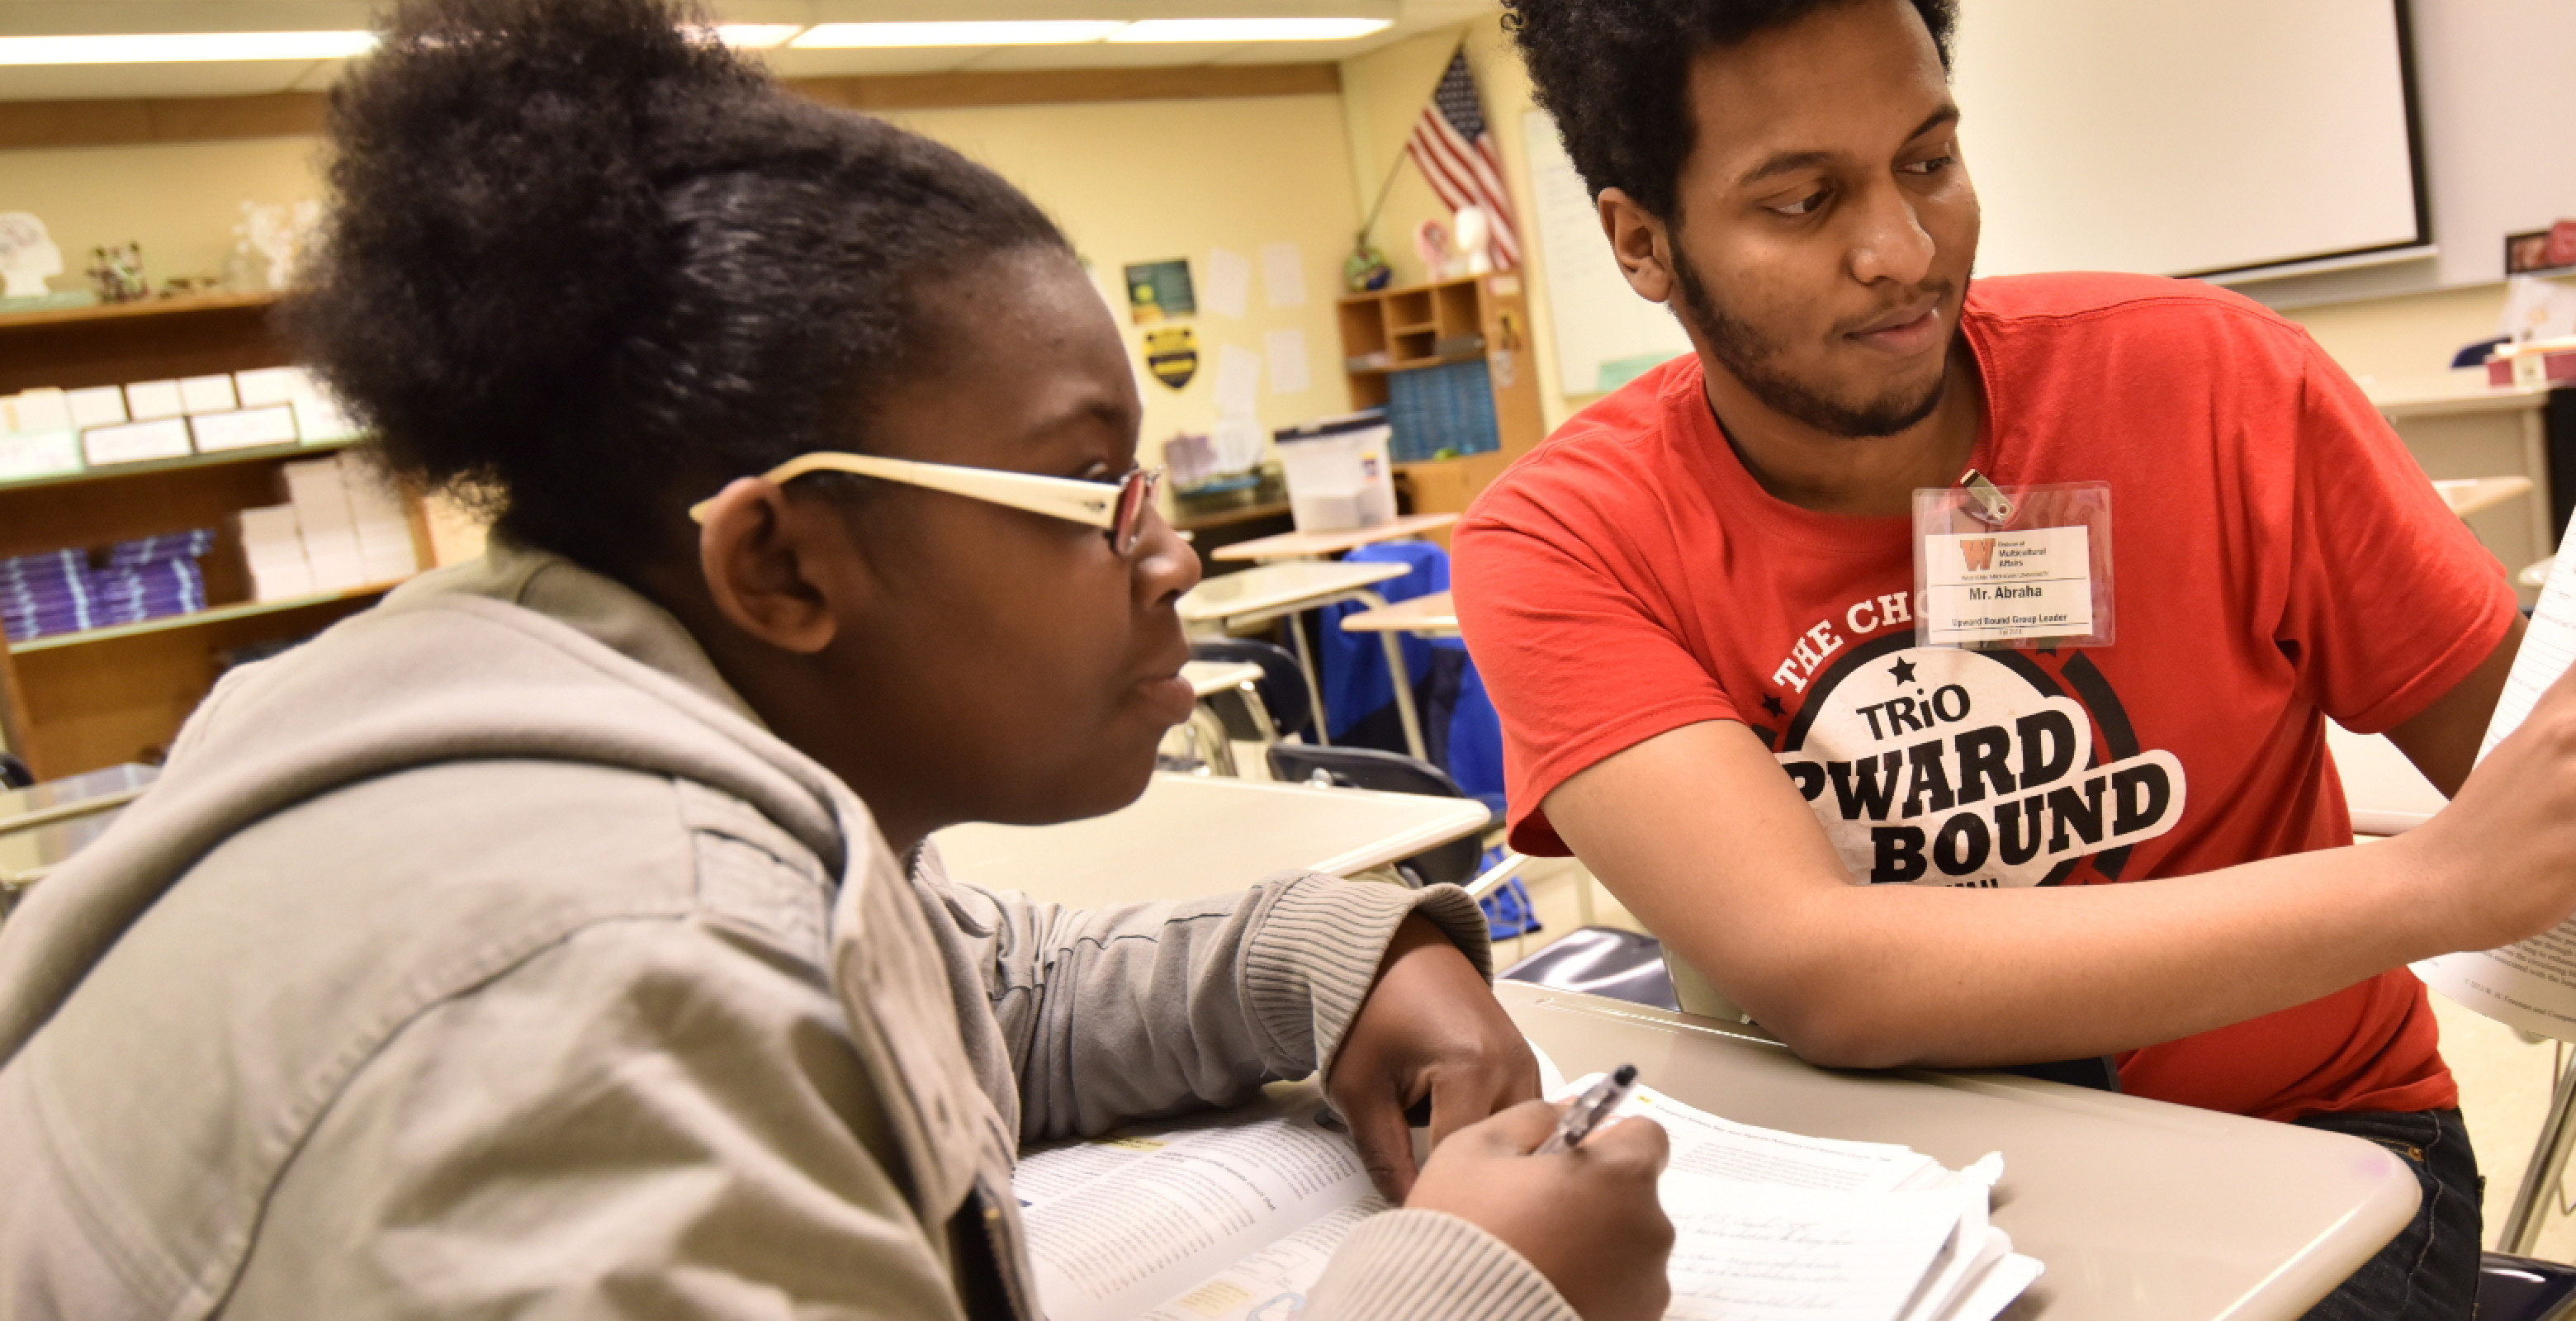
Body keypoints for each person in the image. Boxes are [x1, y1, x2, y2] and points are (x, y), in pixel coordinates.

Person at [0, 2, 1674, 1318]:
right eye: (1089, 487)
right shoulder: (603, 987)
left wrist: (1330, 955)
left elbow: (964, 990)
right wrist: (1480, 1287)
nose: (1170, 553)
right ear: (783, 561)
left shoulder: (547, 707)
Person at [1459, 0, 2576, 1315]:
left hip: (2313, 1149)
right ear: (1642, 242)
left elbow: (2570, 781)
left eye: (1929, 160)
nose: (1902, 251)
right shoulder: (1563, 539)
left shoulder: (2210, 383)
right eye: (1802, 202)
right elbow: (1825, 974)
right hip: (1864, 1196)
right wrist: (2439, 883)